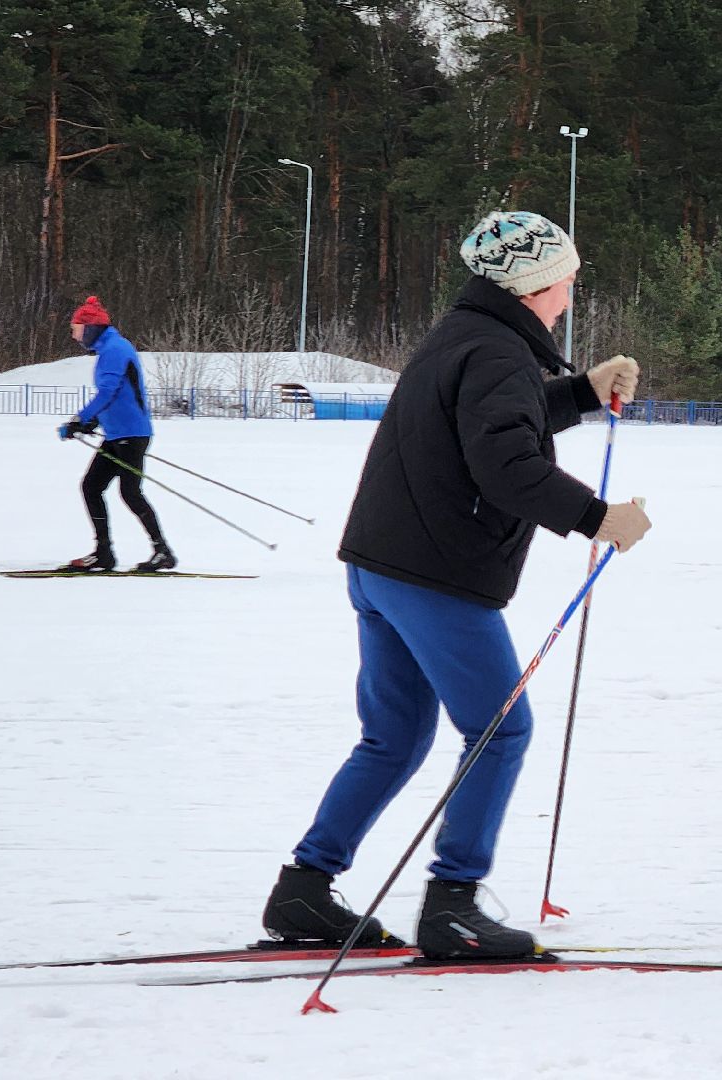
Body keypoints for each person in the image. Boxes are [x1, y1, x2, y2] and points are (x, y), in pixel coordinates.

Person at [261, 210, 652, 961]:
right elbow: (504, 466)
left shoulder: (466, 336)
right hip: (437, 574)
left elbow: (492, 424)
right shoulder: (497, 352)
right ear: (535, 282)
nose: (570, 292)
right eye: (567, 279)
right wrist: (598, 516)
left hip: (383, 567)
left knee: (395, 738)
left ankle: (304, 891)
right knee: (500, 731)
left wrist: (578, 392)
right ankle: (455, 907)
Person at [55, 295, 177, 574]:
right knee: (92, 487)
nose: (75, 337)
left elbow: (109, 391)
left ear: (91, 328)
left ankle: (162, 551)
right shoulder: (109, 348)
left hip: (131, 434)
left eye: (76, 330)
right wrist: (91, 422)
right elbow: (116, 394)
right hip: (117, 434)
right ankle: (104, 553)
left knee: (130, 493)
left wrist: (80, 418)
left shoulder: (115, 349)